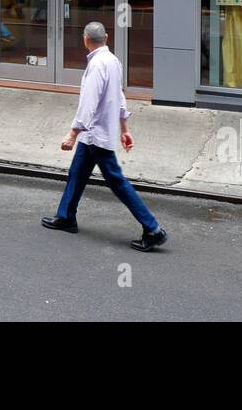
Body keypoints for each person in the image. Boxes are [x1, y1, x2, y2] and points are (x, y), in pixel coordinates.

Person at [42, 21, 168, 251]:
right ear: (106, 38)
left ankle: (152, 229)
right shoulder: (113, 61)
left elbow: (88, 103)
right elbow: (119, 96)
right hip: (97, 133)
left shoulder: (97, 65)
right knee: (77, 173)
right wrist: (124, 128)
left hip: (96, 133)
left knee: (116, 181)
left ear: (85, 40)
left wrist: (72, 132)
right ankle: (66, 216)